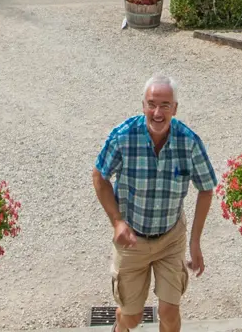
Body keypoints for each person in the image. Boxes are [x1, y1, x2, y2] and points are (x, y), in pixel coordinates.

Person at [93, 75, 216, 332]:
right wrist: (117, 221)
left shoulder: (189, 142)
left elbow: (206, 189)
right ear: (143, 106)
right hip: (132, 239)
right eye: (151, 104)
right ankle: (120, 326)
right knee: (132, 317)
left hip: (171, 237)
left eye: (165, 105)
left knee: (169, 312)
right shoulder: (123, 136)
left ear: (175, 108)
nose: (157, 112)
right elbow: (100, 176)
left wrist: (195, 242)